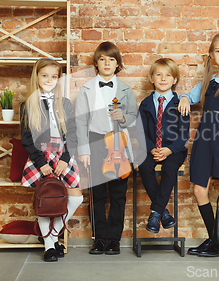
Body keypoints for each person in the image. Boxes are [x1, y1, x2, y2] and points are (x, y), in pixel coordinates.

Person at [178, 34, 219, 257]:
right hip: (204, 140)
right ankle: (216, 239)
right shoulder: (207, 82)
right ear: (211, 55)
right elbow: (190, 95)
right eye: (217, 51)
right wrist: (186, 98)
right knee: (199, 189)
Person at [75, 41, 138, 255]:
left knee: (118, 193)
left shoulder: (126, 89)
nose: (107, 63)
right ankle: (99, 239)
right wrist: (84, 150)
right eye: (102, 59)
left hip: (119, 143)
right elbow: (81, 122)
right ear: (96, 63)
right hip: (94, 141)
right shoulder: (86, 89)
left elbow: (133, 117)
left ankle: (114, 239)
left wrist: (124, 118)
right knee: (97, 193)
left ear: (118, 64)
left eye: (111, 59)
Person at [20, 58, 83, 262]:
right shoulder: (27, 105)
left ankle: (51, 235)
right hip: (41, 157)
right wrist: (42, 164)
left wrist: (65, 158)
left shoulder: (64, 103)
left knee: (76, 197)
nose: (49, 80)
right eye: (44, 75)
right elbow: (27, 139)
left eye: (54, 76)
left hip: (63, 155)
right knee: (45, 199)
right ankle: (49, 247)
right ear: (36, 77)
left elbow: (72, 134)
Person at [137, 58, 190, 233]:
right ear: (151, 78)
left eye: (168, 75)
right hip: (151, 147)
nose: (163, 78)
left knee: (169, 168)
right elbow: (140, 132)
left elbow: (184, 135)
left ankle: (155, 213)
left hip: (174, 149)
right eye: (158, 74)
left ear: (175, 80)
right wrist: (152, 148)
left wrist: (168, 150)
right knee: (144, 165)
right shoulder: (145, 104)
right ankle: (163, 212)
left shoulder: (180, 104)